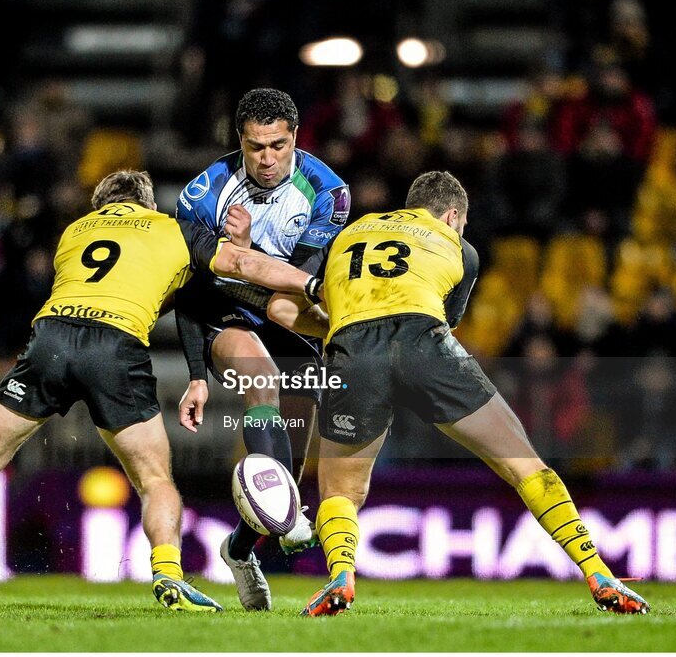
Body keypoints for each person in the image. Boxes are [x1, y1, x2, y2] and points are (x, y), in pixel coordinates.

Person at [0, 170, 324, 613]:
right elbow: (231, 271)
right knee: (154, 479)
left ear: (101, 206)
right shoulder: (172, 228)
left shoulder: (74, 233)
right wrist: (308, 282)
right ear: (147, 203)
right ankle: (169, 576)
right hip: (114, 344)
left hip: (51, 336)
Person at [271, 170, 650, 617]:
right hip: (422, 339)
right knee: (523, 462)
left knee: (340, 489)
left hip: (353, 350)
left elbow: (280, 308)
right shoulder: (459, 247)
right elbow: (441, 322)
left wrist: (338, 328)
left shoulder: (348, 233)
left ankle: (340, 578)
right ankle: (597, 571)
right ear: (452, 216)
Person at [174, 87, 349, 611]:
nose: (267, 159)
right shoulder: (203, 194)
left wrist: (250, 254)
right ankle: (291, 521)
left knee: (290, 463)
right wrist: (196, 373)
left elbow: (298, 284)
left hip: (284, 305)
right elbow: (192, 290)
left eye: (277, 145)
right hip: (221, 312)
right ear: (240, 143)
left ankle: (239, 550)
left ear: (295, 137)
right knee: (261, 376)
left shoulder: (327, 191)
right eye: (256, 148)